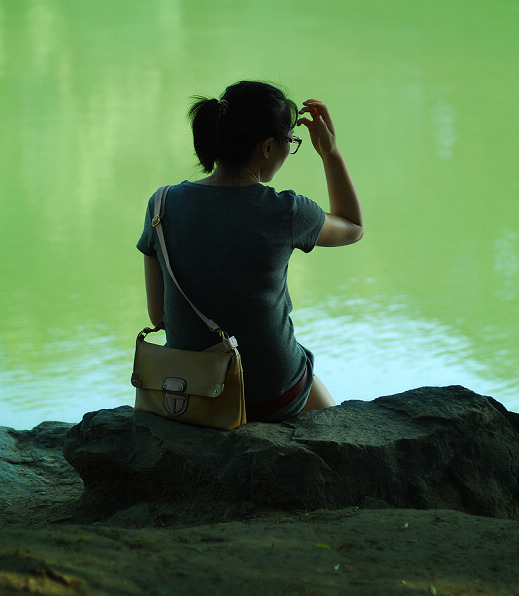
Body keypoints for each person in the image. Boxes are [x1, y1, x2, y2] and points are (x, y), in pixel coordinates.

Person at [136, 80, 364, 421]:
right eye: (291, 141)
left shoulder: (163, 204)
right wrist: (329, 153)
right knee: (319, 394)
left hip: (190, 390)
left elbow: (160, 317)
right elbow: (352, 227)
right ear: (268, 148)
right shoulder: (287, 211)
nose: (291, 149)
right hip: (272, 396)